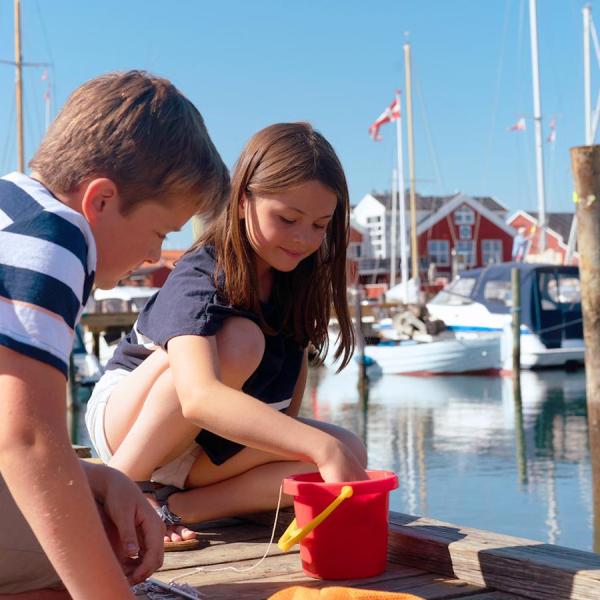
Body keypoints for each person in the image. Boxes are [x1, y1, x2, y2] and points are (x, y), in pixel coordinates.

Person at [0, 71, 229, 599]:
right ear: (100, 200)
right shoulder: (57, 238)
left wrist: (99, 479)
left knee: (96, 506)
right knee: (102, 537)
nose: (154, 256)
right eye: (159, 233)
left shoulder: (13, 204)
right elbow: (28, 441)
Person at [85, 122, 369, 546]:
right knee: (240, 343)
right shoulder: (201, 272)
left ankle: (174, 508)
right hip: (131, 423)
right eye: (287, 218)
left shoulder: (296, 280)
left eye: (319, 225)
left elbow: (284, 411)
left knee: (350, 450)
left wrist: (326, 451)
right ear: (241, 202)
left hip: (203, 444)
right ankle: (122, 488)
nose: (303, 238)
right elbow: (197, 396)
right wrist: (320, 448)